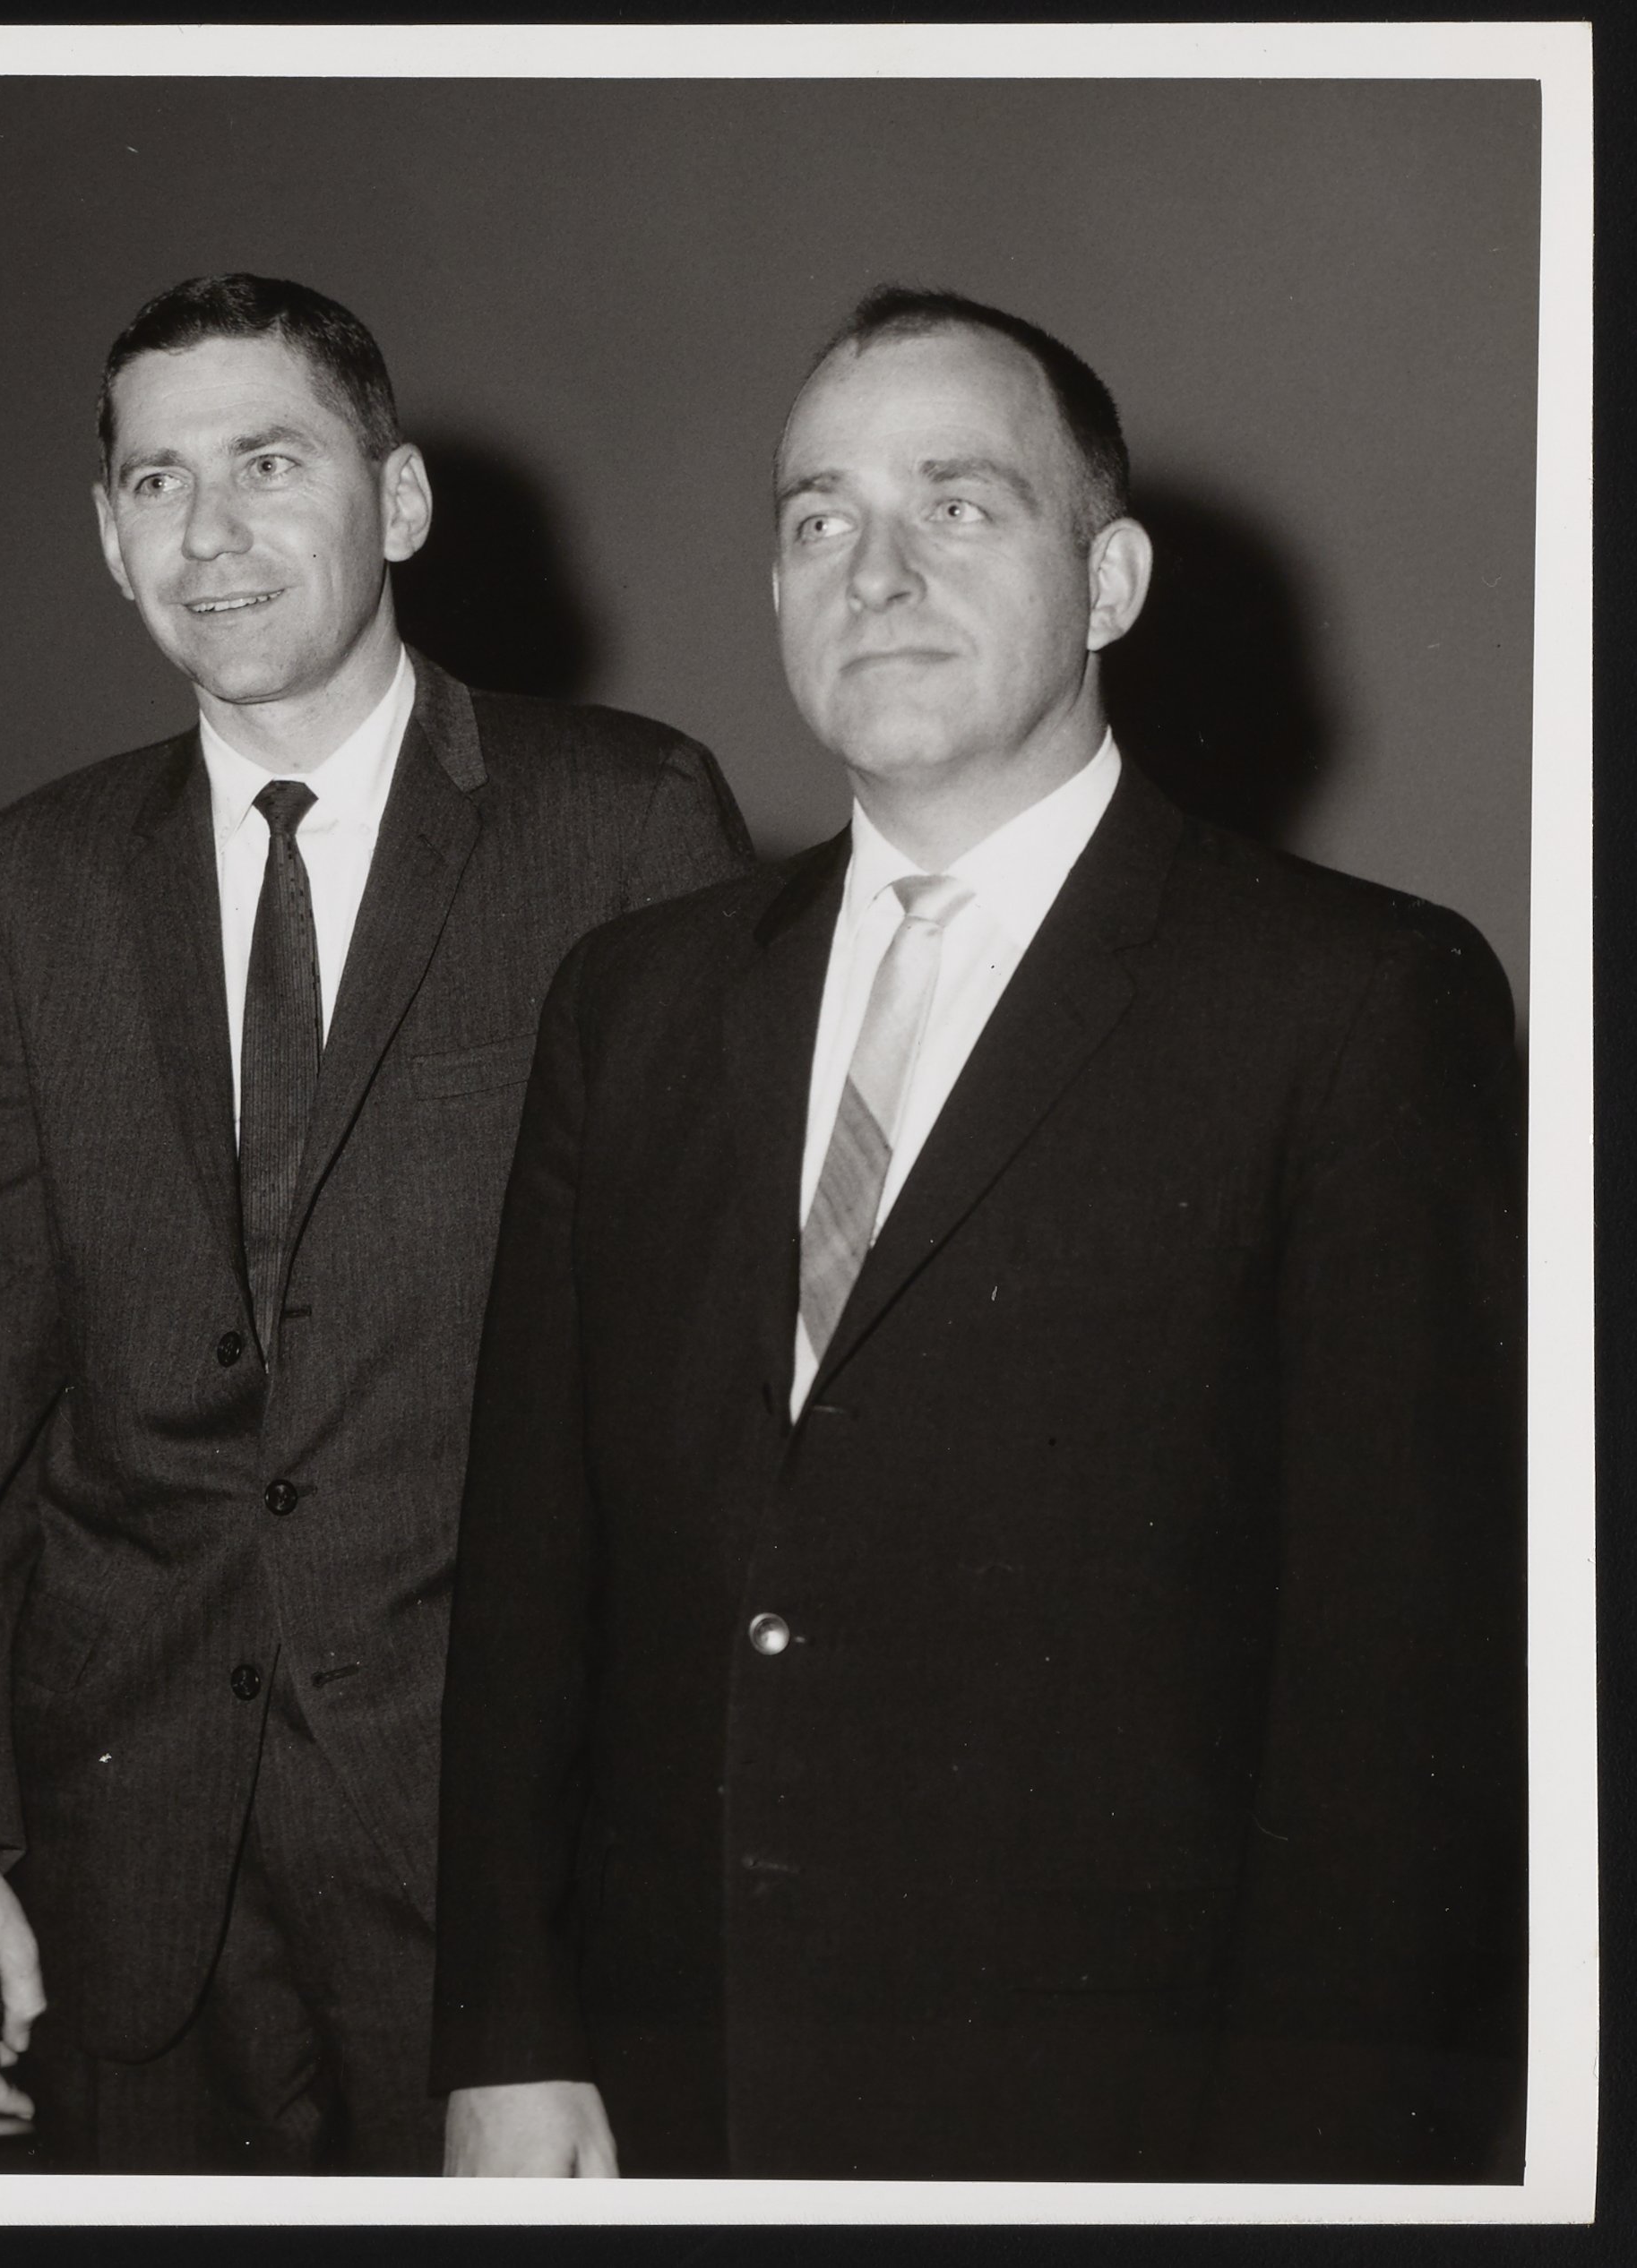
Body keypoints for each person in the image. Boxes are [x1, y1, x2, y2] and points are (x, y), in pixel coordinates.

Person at [433, 285, 1527, 2181]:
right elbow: (532, 1568)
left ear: (1108, 582)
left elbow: (1397, 1701)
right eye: (817, 519)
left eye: (954, 505)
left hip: (1114, 2122)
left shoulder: (1353, 1000)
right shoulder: (634, 1001)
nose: (873, 572)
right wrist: (508, 2041)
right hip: (666, 2091)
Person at [0, 273, 754, 2172]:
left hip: (493, 1874)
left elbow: (702, 1425)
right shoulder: (25, 888)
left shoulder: (621, 823)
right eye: (157, 482)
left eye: (268, 464)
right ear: (107, 536)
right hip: (127, 1879)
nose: (210, 532)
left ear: (400, 502)